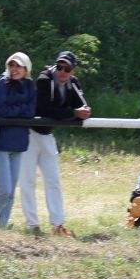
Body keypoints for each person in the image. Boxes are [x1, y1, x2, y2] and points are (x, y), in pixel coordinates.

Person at [26, 50, 89, 236]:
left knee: (53, 180)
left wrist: (81, 111)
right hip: (29, 133)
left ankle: (58, 224)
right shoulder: (44, 80)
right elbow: (46, 109)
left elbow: (81, 106)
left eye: (67, 68)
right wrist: (74, 113)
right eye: (59, 66)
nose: (62, 71)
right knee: (28, 181)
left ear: (73, 70)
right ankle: (33, 225)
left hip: (46, 135)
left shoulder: (73, 83)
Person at [0, 52, 37, 230]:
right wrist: (20, 110)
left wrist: (15, 110)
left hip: (19, 143)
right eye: (11, 65)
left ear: (26, 69)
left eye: (18, 66)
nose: (14, 69)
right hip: (0, 141)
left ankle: (2, 228)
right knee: (4, 190)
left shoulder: (30, 86)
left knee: (11, 192)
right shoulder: (2, 84)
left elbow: (31, 111)